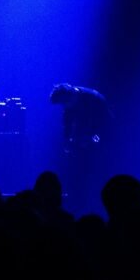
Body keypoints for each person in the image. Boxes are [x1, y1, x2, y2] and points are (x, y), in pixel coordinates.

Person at [49, 83, 110, 214]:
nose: (64, 107)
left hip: (101, 146)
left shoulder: (94, 99)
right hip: (82, 145)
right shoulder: (70, 104)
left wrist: (96, 138)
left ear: (70, 96)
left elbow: (106, 123)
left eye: (64, 104)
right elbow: (67, 125)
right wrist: (68, 143)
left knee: (96, 175)